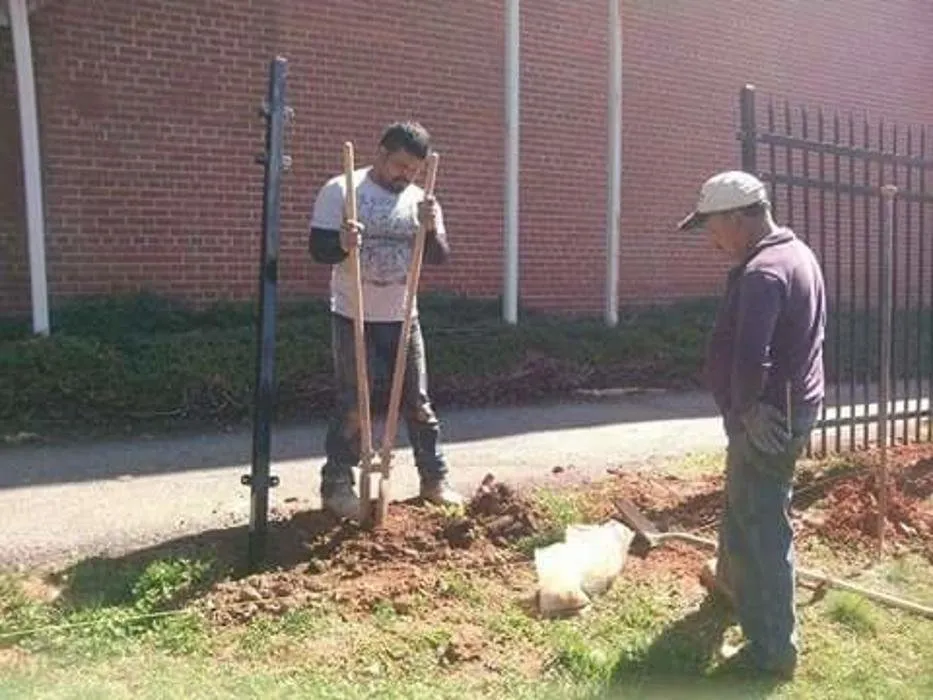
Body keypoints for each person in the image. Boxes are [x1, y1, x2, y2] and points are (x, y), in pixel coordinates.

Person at [678, 170, 826, 679]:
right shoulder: (796, 253)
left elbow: (749, 355)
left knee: (764, 527)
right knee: (742, 506)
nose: (711, 239)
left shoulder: (764, 271)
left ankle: (773, 651)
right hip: (781, 409)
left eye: (712, 226)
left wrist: (745, 410)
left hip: (766, 417)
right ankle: (731, 587)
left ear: (739, 217)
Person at [308, 121, 464, 520]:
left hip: (402, 315)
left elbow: (439, 256)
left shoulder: (422, 199)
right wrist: (341, 243)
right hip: (352, 312)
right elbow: (318, 249)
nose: (405, 176)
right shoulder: (342, 189)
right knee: (352, 404)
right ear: (380, 153)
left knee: (418, 403)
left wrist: (429, 228)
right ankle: (338, 485)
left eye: (413, 170)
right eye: (399, 165)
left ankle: (434, 480)